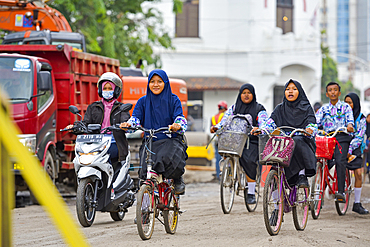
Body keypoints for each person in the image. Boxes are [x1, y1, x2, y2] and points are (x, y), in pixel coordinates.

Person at [120, 69, 188, 195]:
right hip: (150, 141)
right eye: (152, 82)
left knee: (171, 160)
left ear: (166, 83)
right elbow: (135, 118)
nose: (155, 84)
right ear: (148, 84)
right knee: (144, 172)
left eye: (159, 81)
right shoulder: (142, 101)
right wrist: (129, 124)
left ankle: (178, 179)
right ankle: (144, 211)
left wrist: (177, 125)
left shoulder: (174, 100)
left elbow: (180, 117)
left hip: (170, 140)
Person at [211, 84, 268, 204]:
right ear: (240, 94)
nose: (246, 95)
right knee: (227, 152)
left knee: (249, 160)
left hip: (251, 141)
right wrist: (216, 127)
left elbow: (264, 121)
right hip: (235, 139)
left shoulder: (259, 108)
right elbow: (225, 120)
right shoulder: (234, 108)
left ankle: (251, 191)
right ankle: (231, 175)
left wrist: (260, 129)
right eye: (244, 93)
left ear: (253, 94)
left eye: (249, 93)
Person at [259, 79, 317, 188]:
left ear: (300, 91)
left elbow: (312, 123)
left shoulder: (307, 108)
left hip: (302, 140)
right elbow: (270, 122)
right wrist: (261, 130)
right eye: (287, 89)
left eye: (294, 89)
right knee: (275, 146)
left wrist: (309, 129)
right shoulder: (280, 108)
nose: (290, 91)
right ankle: (276, 200)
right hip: (284, 143)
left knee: (297, 140)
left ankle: (301, 174)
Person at [66, 72, 130, 165]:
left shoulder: (121, 108)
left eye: (110, 88)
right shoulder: (93, 107)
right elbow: (86, 123)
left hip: (114, 143)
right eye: (104, 88)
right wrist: (74, 127)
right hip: (95, 143)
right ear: (100, 90)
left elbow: (126, 121)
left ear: (116, 90)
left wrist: (124, 125)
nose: (107, 90)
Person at [316, 82, 354, 203]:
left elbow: (350, 121)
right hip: (327, 138)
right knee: (319, 160)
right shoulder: (324, 109)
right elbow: (315, 121)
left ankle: (341, 191)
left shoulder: (346, 107)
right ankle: (317, 191)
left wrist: (349, 126)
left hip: (342, 137)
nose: (333, 92)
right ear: (327, 94)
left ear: (339, 93)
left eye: (335, 90)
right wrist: (311, 128)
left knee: (340, 161)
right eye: (330, 90)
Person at [344, 93, 369, 214]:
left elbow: (359, 137)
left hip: (355, 148)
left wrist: (350, 149)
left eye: (350, 102)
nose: (348, 105)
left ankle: (357, 203)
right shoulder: (341, 115)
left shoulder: (361, 118)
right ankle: (318, 199)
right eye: (346, 102)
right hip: (341, 145)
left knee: (359, 173)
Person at [210, 100, 228, 181]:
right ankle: (227, 175)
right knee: (227, 158)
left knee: (217, 159)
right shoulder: (225, 116)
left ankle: (218, 176)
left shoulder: (213, 117)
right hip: (225, 140)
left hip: (216, 139)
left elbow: (211, 129)